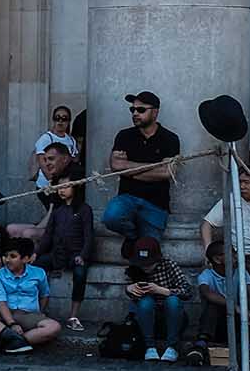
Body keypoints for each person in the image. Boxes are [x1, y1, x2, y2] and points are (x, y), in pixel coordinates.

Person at [104, 91, 180, 245]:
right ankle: (132, 236)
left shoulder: (170, 138)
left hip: (156, 204)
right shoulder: (124, 136)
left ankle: (138, 242)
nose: (135, 113)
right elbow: (116, 166)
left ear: (155, 112)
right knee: (110, 217)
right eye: (132, 110)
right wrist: (153, 169)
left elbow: (167, 172)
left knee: (148, 252)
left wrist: (129, 170)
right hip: (127, 198)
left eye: (141, 110)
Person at [32, 176, 91, 330]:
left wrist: (82, 256)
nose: (61, 190)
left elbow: (89, 236)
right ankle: (39, 310)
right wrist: (36, 254)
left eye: (65, 187)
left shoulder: (84, 209)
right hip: (57, 254)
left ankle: (73, 316)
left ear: (76, 188)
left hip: (75, 255)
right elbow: (47, 235)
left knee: (80, 273)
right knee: (37, 267)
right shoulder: (58, 211)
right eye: (59, 187)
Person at [186, 239, 250, 365]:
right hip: (218, 323)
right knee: (213, 305)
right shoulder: (206, 275)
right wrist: (234, 306)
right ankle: (200, 346)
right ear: (217, 259)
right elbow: (207, 293)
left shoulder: (241, 272)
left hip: (239, 320)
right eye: (231, 253)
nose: (236, 256)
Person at [124, 233, 191, 362]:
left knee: (172, 301)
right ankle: (150, 346)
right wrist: (129, 289)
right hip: (147, 320)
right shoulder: (134, 270)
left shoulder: (169, 266)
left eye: (149, 264)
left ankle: (172, 346)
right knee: (145, 302)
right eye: (143, 264)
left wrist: (161, 290)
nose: (146, 267)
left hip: (172, 318)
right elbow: (133, 299)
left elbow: (187, 292)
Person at [32, 104, 79, 181]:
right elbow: (42, 162)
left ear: (68, 121)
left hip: (64, 184)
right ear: (53, 120)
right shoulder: (46, 138)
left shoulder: (71, 140)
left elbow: (73, 161)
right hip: (47, 185)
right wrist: (51, 181)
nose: (60, 121)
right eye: (57, 118)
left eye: (64, 118)